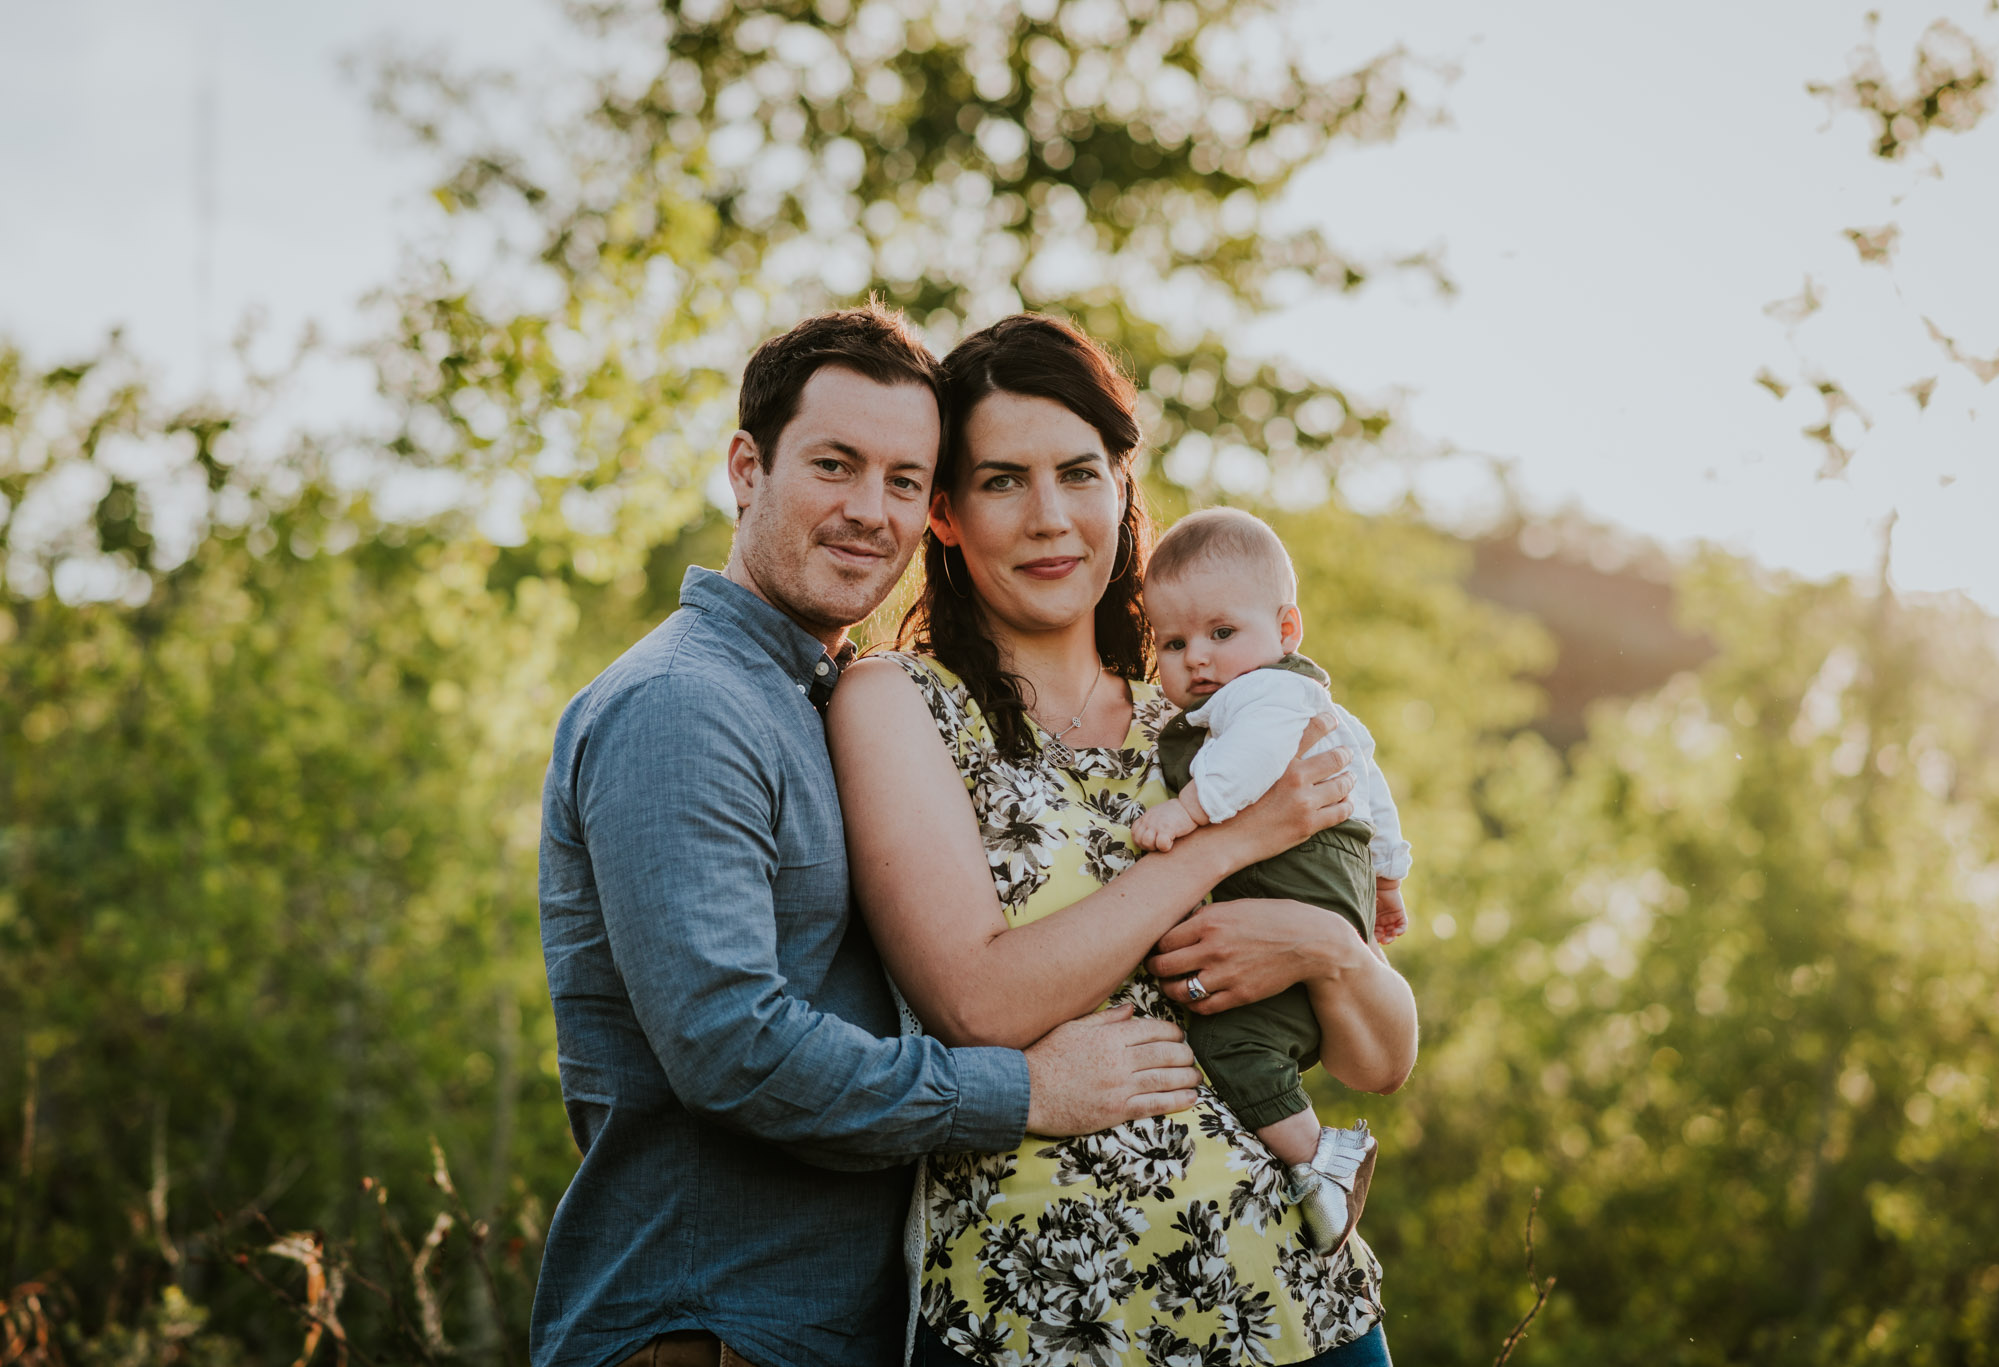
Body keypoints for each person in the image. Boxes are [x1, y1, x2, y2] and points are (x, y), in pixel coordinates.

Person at [532, 304, 1212, 1367]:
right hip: (703, 1328)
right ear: (745, 468)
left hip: (824, 1329)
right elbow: (730, 1045)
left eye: (903, 479)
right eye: (834, 465)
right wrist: (1026, 1091)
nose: (869, 511)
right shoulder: (682, 705)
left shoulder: (819, 697)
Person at [828, 314, 1418, 1367]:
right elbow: (979, 1002)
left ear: (1120, 488)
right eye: (1002, 480)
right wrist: (1219, 848)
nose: (1051, 517)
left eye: (1079, 472)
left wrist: (1322, 945)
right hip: (1042, 1318)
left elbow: (1379, 1060)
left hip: (1298, 1309)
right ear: (947, 515)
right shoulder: (900, 702)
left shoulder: (1214, 721)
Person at [1130, 506, 1416, 1256]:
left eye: (1223, 633)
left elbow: (1251, 761)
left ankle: (1320, 1157)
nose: (1198, 658)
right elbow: (1371, 786)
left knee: (1231, 1036)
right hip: (1334, 879)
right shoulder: (1317, 703)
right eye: (1175, 642)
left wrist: (1190, 809)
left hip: (1301, 877)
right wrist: (1389, 879)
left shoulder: (1260, 699)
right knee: (1265, 1019)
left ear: (1287, 630)